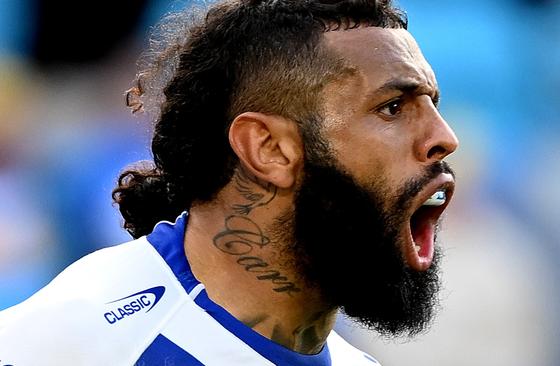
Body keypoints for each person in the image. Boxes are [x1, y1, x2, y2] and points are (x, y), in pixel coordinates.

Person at [0, 0, 459, 364]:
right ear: (268, 149)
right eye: (393, 108)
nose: (445, 138)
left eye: (433, 104)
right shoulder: (75, 346)